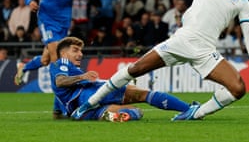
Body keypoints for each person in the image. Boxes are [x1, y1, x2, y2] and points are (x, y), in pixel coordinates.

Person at [72, 0, 249, 121]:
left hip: (205, 50)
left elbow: (248, 31)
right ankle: (90, 103)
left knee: (238, 88)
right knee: (135, 69)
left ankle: (195, 113)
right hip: (182, 40)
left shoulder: (242, 1)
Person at [51, 37, 193, 121]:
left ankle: (113, 115)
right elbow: (61, 81)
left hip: (82, 111)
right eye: (75, 50)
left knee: (132, 111)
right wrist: (82, 77)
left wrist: (58, 113)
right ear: (63, 53)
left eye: (81, 50)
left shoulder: (62, 69)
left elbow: (58, 101)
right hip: (90, 94)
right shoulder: (62, 63)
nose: (80, 54)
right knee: (142, 94)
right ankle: (189, 109)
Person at [14, 0, 86, 86]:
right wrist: (31, 2)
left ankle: (24, 66)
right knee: (56, 54)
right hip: (47, 19)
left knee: (45, 60)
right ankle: (60, 94)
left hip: (64, 20)